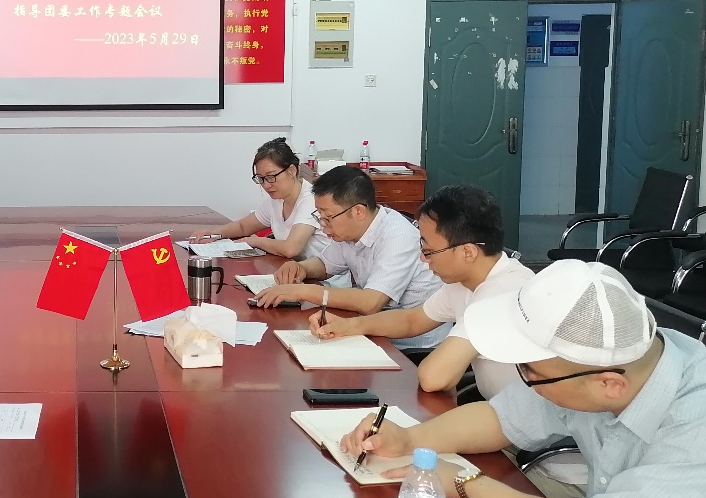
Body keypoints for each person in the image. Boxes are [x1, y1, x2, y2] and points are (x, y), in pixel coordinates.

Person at [340, 260, 706, 498]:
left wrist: (467, 482)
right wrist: (410, 439)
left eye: (530, 372)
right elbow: (499, 418)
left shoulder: (701, 421)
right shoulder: (603, 359)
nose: (525, 378)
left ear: (609, 385)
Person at [307, 184, 533, 389]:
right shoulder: (464, 281)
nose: (423, 259)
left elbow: (434, 378)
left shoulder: (500, 295)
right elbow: (412, 320)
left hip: (520, 419)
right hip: (499, 407)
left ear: (468, 252)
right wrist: (347, 326)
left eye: (428, 251)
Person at [253, 165, 448, 357]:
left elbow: (371, 302)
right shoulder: (349, 232)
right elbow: (325, 265)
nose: (323, 225)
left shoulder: (398, 237)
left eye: (328, 217)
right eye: (319, 216)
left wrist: (302, 291)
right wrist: (299, 268)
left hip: (410, 350)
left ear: (358, 212)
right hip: (371, 332)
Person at [188, 136, 330, 260]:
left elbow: (291, 249)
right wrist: (213, 234)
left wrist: (256, 241)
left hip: (321, 278)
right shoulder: (277, 200)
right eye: (261, 178)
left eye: (271, 177)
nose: (266, 185)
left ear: (292, 171)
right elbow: (243, 227)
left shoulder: (311, 200)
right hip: (293, 271)